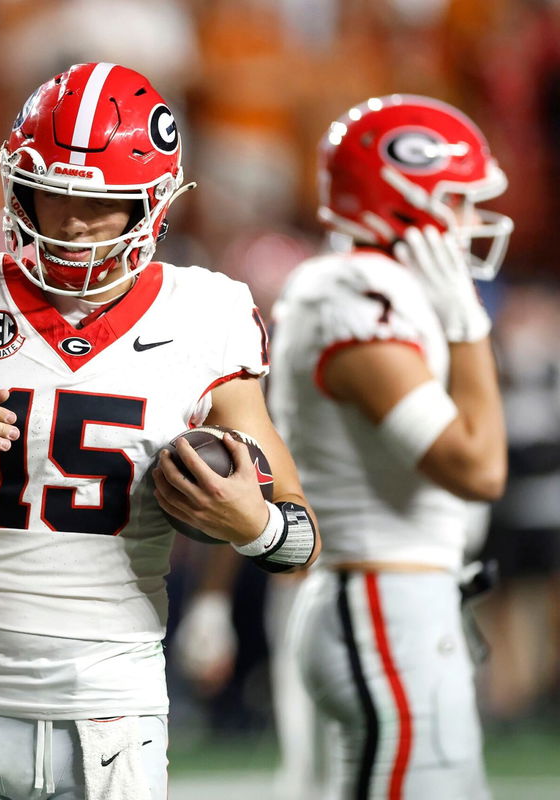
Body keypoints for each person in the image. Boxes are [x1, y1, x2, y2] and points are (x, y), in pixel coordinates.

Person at [0, 62, 319, 799]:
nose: (70, 219)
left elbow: (302, 540)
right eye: (50, 191)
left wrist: (252, 526)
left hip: (113, 712)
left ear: (150, 203)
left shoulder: (207, 313)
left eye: (98, 201)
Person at [271, 94, 512, 799]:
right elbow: (477, 466)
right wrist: (469, 330)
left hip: (407, 602)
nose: (473, 222)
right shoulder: (351, 293)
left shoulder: (381, 293)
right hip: (380, 602)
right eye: (460, 201)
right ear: (407, 197)